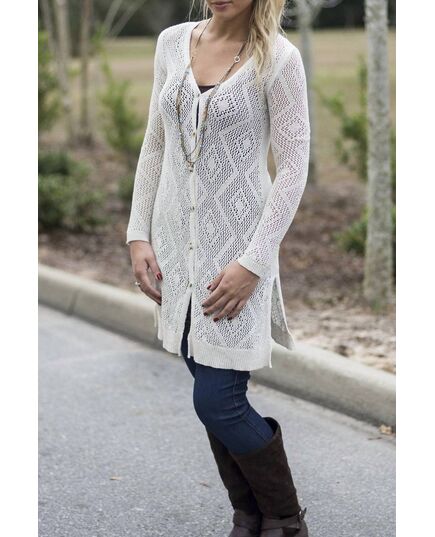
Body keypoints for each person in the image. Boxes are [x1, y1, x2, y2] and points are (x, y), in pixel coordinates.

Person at [126, 1, 311, 536]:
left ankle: (285, 519)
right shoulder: (172, 42)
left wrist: (254, 262)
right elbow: (155, 144)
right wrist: (138, 233)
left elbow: (293, 167)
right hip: (175, 248)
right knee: (211, 393)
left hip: (237, 254)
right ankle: (250, 516)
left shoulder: (278, 59)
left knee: (219, 400)